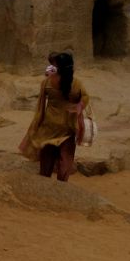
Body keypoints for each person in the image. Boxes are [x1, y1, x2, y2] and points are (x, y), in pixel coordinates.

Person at [19, 52, 87, 181]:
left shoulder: (47, 83)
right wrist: (78, 110)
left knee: (47, 159)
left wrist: (37, 123)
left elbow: (41, 105)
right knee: (65, 160)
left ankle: (45, 183)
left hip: (49, 126)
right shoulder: (76, 84)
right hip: (67, 127)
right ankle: (61, 185)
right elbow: (84, 98)